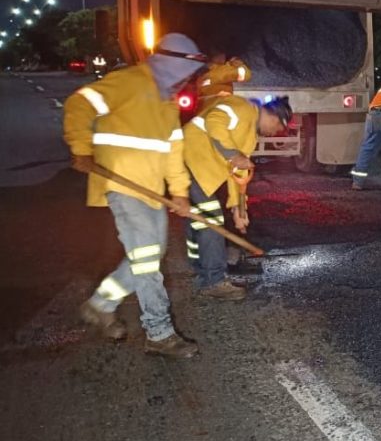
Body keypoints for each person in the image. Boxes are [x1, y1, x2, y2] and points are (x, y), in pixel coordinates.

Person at [64, 33, 208, 358]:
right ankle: (159, 333)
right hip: (122, 187)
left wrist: (181, 194)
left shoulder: (167, 102)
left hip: (152, 192)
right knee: (145, 262)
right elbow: (79, 104)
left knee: (148, 258)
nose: (188, 78)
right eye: (187, 69)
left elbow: (173, 152)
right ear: (171, 62)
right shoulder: (127, 82)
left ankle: (101, 304)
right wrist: (82, 149)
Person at [183, 59, 292, 300]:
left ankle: (200, 267)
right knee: (211, 220)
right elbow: (214, 123)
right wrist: (233, 155)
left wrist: (238, 208)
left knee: (199, 219)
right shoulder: (241, 108)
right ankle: (213, 281)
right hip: (192, 159)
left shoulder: (250, 134)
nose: (274, 134)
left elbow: (239, 176)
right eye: (277, 128)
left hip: (201, 166)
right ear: (273, 116)